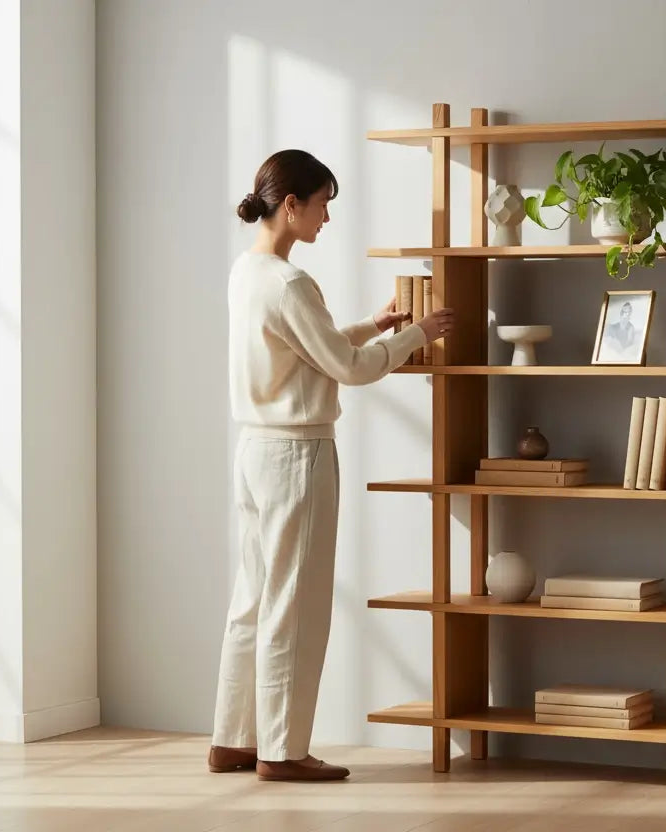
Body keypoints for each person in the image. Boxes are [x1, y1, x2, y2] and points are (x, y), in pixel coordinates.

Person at [208, 149, 454, 782]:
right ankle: (283, 750)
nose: (326, 218)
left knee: (254, 598)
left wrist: (373, 324)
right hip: (296, 454)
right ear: (290, 205)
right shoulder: (291, 283)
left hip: (254, 450)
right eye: (322, 204)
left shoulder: (249, 272)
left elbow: (302, 349)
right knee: (297, 601)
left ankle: (233, 739)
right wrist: (416, 335)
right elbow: (346, 369)